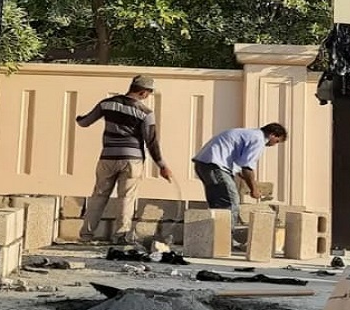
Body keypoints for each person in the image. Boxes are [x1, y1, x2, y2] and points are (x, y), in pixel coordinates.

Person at [75, 75, 172, 244]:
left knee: (98, 196)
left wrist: (78, 118)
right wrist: (162, 165)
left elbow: (84, 122)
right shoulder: (145, 113)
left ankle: (86, 235)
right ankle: (120, 237)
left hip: (107, 158)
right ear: (143, 92)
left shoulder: (107, 104)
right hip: (132, 160)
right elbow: (151, 141)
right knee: (126, 198)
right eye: (148, 93)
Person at [191, 123, 288, 241]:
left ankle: (211, 240)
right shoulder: (259, 139)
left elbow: (240, 165)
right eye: (277, 141)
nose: (273, 145)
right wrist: (253, 189)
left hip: (203, 165)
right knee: (231, 202)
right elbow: (247, 168)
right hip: (215, 166)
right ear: (273, 135)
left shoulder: (248, 134)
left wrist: (245, 177)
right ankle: (225, 240)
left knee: (218, 204)